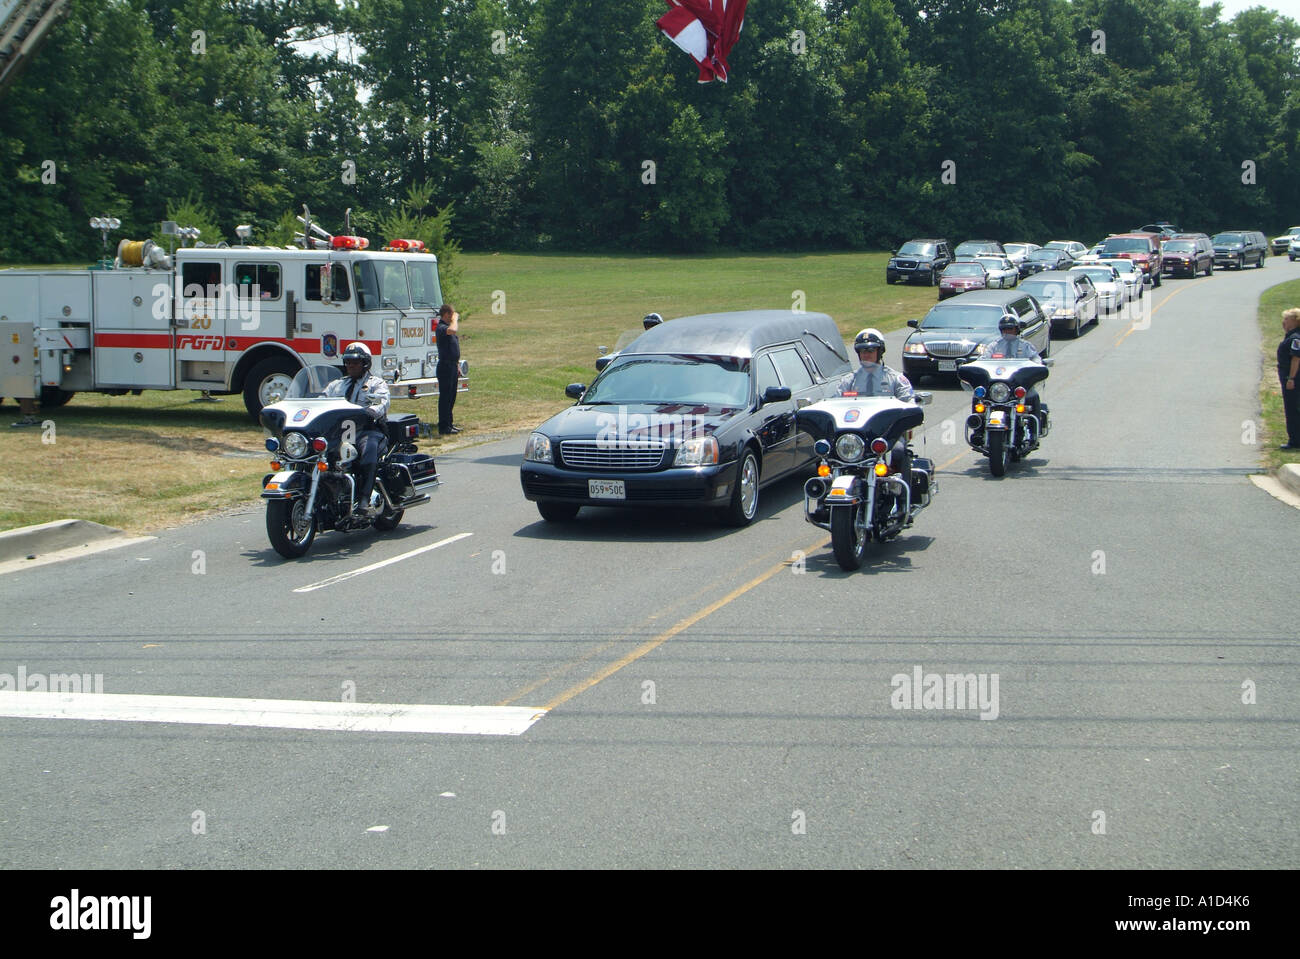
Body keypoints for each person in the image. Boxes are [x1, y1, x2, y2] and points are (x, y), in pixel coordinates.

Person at [325, 342, 389, 518]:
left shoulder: (377, 384)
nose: (350, 366)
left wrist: (368, 412)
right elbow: (321, 401)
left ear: (365, 363)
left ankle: (364, 499)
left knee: (368, 448)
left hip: (368, 430)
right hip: (341, 433)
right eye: (347, 362)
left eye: (355, 362)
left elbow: (381, 403)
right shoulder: (336, 385)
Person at [838, 328, 914, 475]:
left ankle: (901, 492)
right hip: (856, 434)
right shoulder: (848, 381)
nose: (866, 355)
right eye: (862, 351)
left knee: (898, 451)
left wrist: (910, 410)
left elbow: (909, 403)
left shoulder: (896, 379)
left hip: (888, 434)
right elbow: (834, 404)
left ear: (879, 352)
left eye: (870, 351)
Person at [980, 314, 1048, 433]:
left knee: (1033, 396)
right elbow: (983, 360)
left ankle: (1034, 431)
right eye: (1005, 329)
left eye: (1010, 329)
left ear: (1017, 330)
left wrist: (1038, 366)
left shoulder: (1025, 346)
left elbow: (1036, 359)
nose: (1008, 332)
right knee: (978, 397)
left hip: (1019, 385)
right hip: (998, 386)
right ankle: (978, 429)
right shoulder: (993, 346)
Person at [435, 304, 461, 435]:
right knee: (445, 397)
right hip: (445, 366)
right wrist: (455, 320)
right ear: (446, 314)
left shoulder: (448, 327)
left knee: (451, 396)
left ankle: (449, 423)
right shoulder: (441, 327)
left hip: (452, 365)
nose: (453, 316)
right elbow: (453, 330)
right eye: (451, 314)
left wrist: (457, 365)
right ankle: (443, 426)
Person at [1279, 308, 1300, 450]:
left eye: (1287, 319)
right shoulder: (1291, 336)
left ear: (1295, 321)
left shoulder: (1295, 338)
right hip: (1290, 377)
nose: (1284, 321)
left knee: (1293, 409)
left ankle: (1295, 441)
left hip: (1294, 379)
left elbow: (1295, 358)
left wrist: (1291, 378)